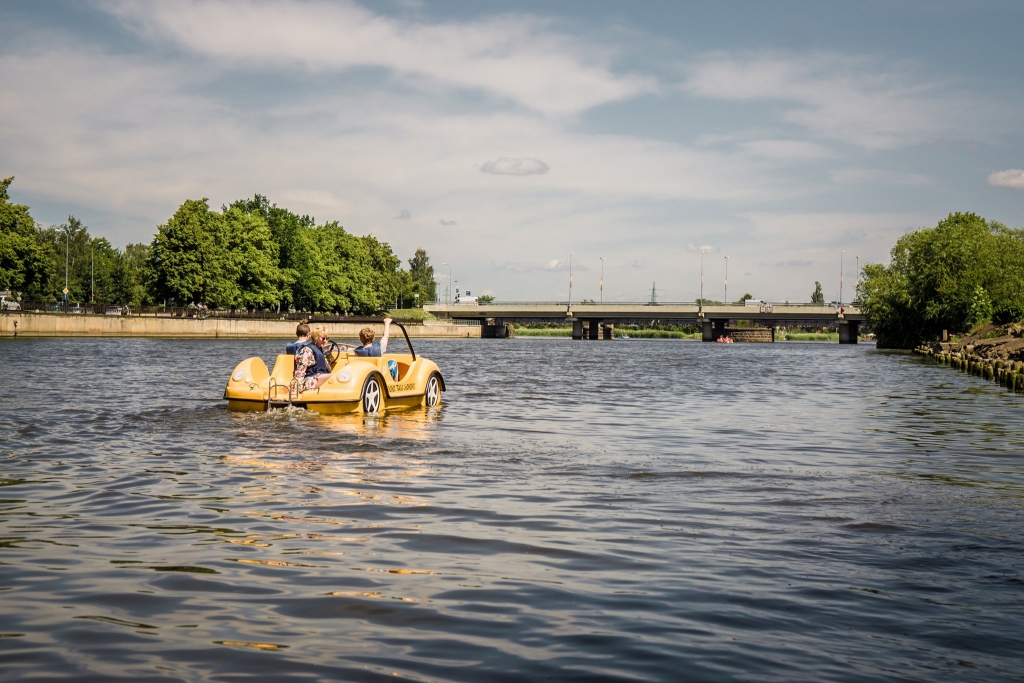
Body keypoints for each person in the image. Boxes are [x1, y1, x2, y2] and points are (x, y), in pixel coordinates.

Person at [293, 327, 332, 392]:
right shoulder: (307, 350)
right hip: (309, 381)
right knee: (333, 376)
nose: (325, 341)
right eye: (323, 338)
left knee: (338, 375)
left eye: (327, 338)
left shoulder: (320, 349)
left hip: (319, 377)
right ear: (316, 338)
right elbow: (300, 371)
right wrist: (298, 389)